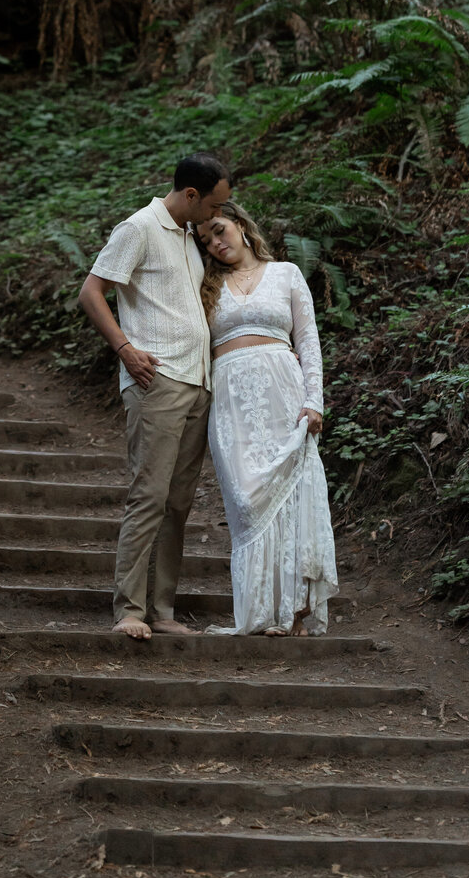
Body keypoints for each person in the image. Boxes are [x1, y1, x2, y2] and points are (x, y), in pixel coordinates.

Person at [77, 153, 233, 640]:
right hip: (156, 380)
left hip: (197, 383)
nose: (216, 216)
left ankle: (161, 610)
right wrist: (125, 348)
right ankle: (129, 609)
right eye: (214, 206)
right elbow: (91, 291)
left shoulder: (189, 237)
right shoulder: (139, 228)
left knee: (179, 502)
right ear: (191, 195)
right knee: (149, 495)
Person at [200, 200, 338, 636]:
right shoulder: (203, 285)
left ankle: (294, 609)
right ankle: (260, 611)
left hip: (284, 391)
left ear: (241, 224)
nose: (216, 243)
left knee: (294, 494)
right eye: (206, 240)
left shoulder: (287, 274)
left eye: (220, 230)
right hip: (231, 399)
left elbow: (309, 342)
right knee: (246, 502)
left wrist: (314, 400)